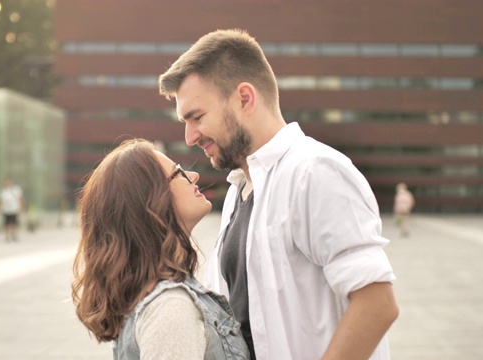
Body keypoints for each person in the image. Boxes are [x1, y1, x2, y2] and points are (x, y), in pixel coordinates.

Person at [159, 29, 399, 360]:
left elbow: (377, 304)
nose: (189, 137)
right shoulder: (238, 191)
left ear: (244, 98)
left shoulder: (314, 172)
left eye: (197, 117)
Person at [71, 139, 250, 360]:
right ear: (151, 200)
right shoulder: (170, 308)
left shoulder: (155, 299)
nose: (193, 176)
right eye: (178, 172)